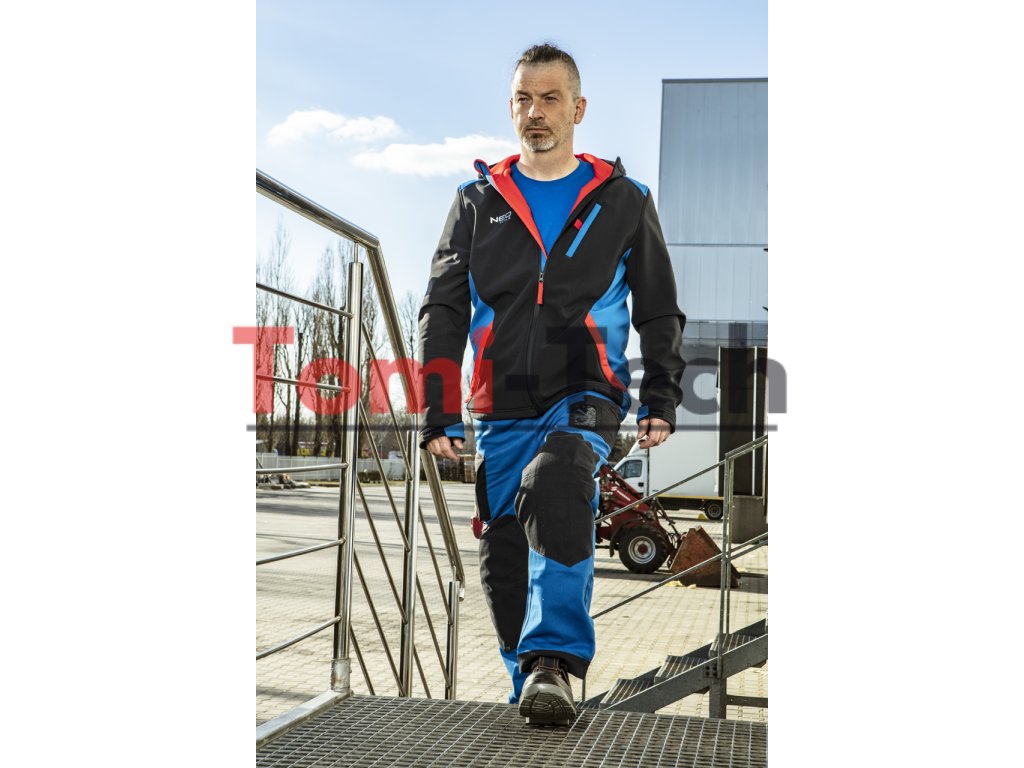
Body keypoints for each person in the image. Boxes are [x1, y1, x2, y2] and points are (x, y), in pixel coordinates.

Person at [417, 43, 685, 725]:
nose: (535, 112)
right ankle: (530, 684)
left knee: (558, 482)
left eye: (550, 98)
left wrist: (661, 394)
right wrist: (437, 407)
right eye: (523, 100)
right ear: (511, 108)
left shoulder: (622, 200)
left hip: (587, 392)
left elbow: (658, 306)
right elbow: (443, 309)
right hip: (499, 404)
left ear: (578, 108)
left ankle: (556, 660)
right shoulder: (476, 201)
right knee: (505, 553)